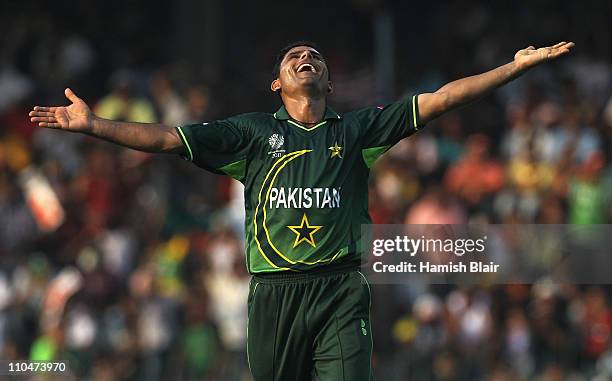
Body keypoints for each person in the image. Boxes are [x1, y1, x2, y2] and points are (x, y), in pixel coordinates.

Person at [29, 40, 574, 380]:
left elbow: (442, 100)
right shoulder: (250, 133)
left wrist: (514, 67)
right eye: (293, 56)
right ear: (277, 84)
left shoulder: (357, 130)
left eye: (314, 57)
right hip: (274, 292)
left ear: (329, 83)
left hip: (340, 289)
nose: (304, 58)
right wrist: (94, 125)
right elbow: (167, 139)